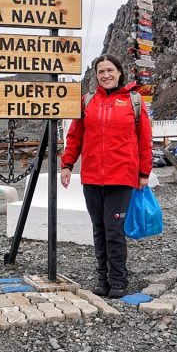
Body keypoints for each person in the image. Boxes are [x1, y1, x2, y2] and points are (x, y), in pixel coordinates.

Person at [60, 54, 152, 298]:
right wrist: (67, 164)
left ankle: (118, 280)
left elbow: (144, 140)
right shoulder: (87, 101)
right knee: (99, 229)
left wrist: (144, 173)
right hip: (91, 178)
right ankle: (102, 279)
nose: (106, 75)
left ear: (120, 72)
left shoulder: (134, 101)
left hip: (121, 178)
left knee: (114, 230)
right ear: (96, 75)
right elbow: (75, 136)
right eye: (101, 71)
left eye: (110, 70)